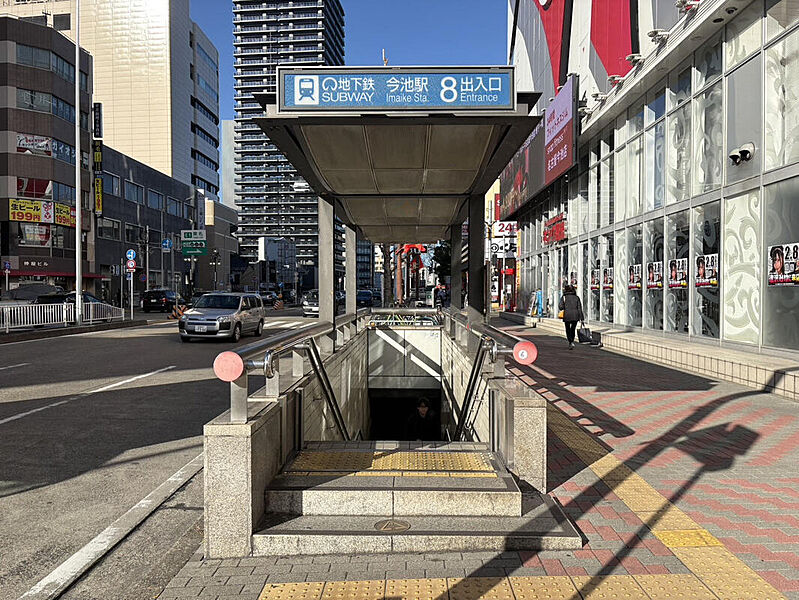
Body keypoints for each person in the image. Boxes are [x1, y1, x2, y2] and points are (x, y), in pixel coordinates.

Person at [558, 284, 584, 350]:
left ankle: (570, 341)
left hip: (567, 315)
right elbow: (579, 308)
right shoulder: (576, 297)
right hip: (575, 315)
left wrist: (565, 306)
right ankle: (572, 340)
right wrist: (582, 318)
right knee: (573, 328)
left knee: (568, 329)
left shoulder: (564, 297)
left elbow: (560, 307)